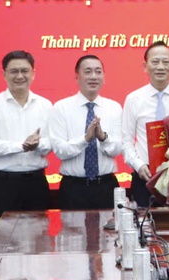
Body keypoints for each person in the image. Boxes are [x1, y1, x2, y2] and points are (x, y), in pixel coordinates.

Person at [0, 50, 54, 226]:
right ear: (4, 74)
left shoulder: (45, 105)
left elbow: (52, 142)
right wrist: (22, 146)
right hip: (4, 185)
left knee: (39, 235)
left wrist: (37, 145)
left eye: (24, 71)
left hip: (36, 183)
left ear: (33, 73)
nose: (20, 76)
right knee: (3, 237)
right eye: (14, 71)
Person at [120, 41, 169, 207]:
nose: (160, 67)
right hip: (145, 176)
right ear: (145, 66)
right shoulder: (134, 99)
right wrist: (138, 165)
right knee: (144, 222)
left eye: (165, 62)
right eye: (155, 62)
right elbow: (125, 140)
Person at [48, 54, 124, 210]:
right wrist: (85, 139)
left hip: (106, 186)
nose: (93, 76)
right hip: (73, 188)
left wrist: (103, 137)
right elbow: (60, 151)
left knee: (111, 225)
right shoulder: (61, 108)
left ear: (104, 77)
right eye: (88, 72)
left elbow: (117, 149)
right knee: (71, 226)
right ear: (77, 76)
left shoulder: (114, 108)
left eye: (98, 72)